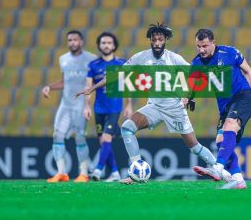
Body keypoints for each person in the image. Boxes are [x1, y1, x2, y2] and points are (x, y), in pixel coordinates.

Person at [77, 23, 217, 184]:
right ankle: (137, 171)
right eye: (154, 39)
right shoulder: (141, 57)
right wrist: (92, 88)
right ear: (150, 40)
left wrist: (189, 97)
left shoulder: (174, 58)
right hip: (154, 106)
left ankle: (220, 170)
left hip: (174, 107)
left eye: (160, 39)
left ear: (165, 40)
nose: (157, 42)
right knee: (127, 128)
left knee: (194, 146)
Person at [191, 28, 251, 190]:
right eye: (198, 46)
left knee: (230, 124)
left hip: (243, 97)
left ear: (213, 43)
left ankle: (217, 168)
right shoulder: (197, 63)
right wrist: (186, 98)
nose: (201, 50)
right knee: (221, 142)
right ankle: (239, 179)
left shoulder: (230, 53)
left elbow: (249, 71)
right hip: (225, 106)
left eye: (205, 46)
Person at [42, 30, 97, 183]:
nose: (72, 42)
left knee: (80, 137)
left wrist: (88, 104)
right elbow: (65, 81)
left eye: (75, 39)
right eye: (70, 40)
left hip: (80, 105)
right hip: (65, 105)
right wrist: (50, 87)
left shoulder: (91, 59)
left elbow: (92, 84)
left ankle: (84, 173)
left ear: (82, 41)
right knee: (57, 136)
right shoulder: (63, 59)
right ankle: (61, 173)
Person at [87, 32, 132, 182]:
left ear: (114, 45)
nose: (106, 45)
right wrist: (86, 107)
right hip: (99, 108)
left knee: (106, 138)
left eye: (109, 43)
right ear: (99, 45)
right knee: (103, 142)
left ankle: (98, 170)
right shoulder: (93, 65)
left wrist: (129, 105)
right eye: (103, 43)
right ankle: (115, 173)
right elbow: (89, 88)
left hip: (114, 107)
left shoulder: (121, 63)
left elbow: (127, 86)